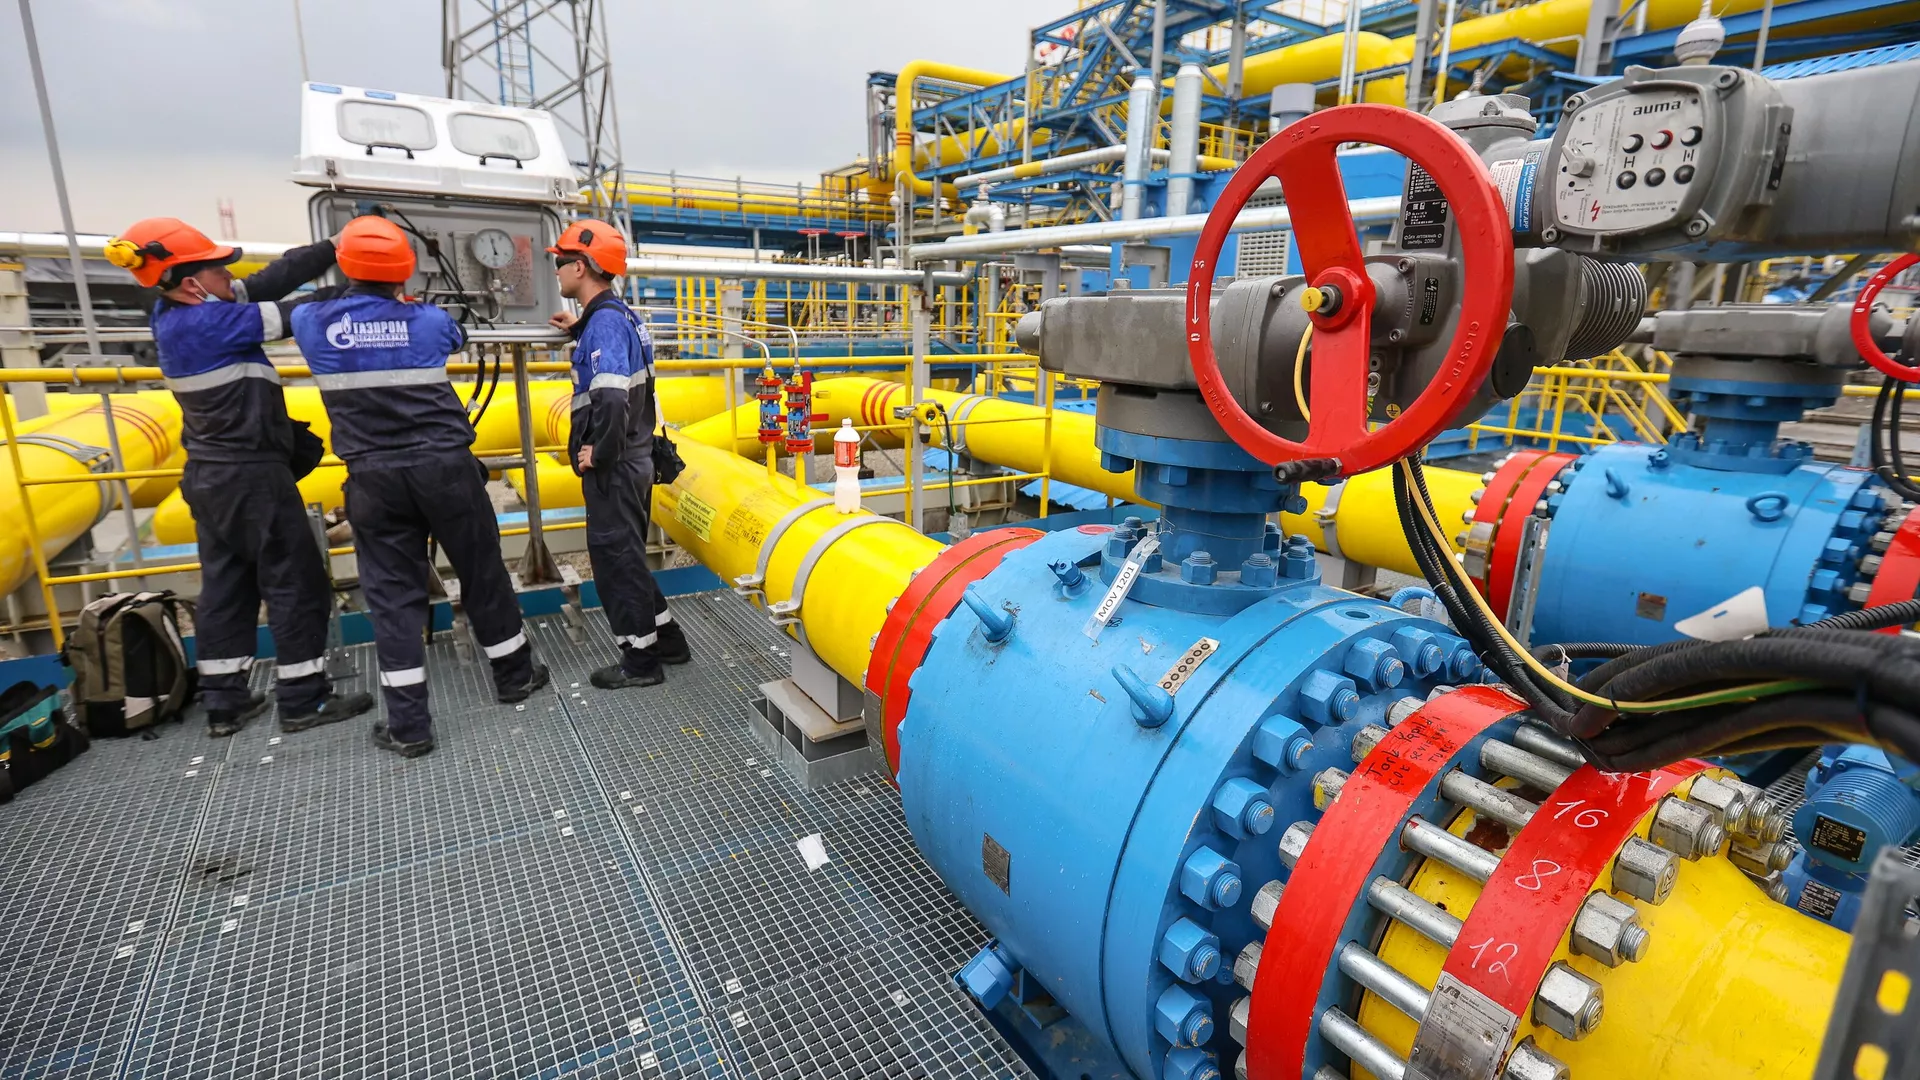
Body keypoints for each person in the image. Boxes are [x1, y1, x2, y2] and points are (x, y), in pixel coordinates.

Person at [290, 217, 550, 758]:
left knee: (393, 597)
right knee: (482, 572)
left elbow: (295, 303)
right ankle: (514, 676)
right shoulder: (428, 321)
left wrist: (331, 267)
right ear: (405, 271)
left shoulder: (313, 322)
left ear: (344, 266)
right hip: (446, 469)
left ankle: (409, 727)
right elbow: (458, 332)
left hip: (374, 478)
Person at [106, 218, 373, 738]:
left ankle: (225, 703)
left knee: (228, 587)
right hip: (249, 476)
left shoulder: (181, 310)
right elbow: (297, 312)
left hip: (211, 478)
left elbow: (273, 281)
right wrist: (367, 281)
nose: (231, 276)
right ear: (191, 282)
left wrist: (330, 247)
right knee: (297, 583)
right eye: (220, 269)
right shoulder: (210, 324)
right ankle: (304, 699)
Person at [546, 219, 689, 688]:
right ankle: (667, 641)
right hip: (637, 458)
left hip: (618, 463)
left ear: (583, 266)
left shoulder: (605, 324)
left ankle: (640, 663)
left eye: (560, 261)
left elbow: (609, 399)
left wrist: (598, 456)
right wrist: (580, 329)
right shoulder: (617, 316)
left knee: (615, 561)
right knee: (626, 553)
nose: (556, 269)